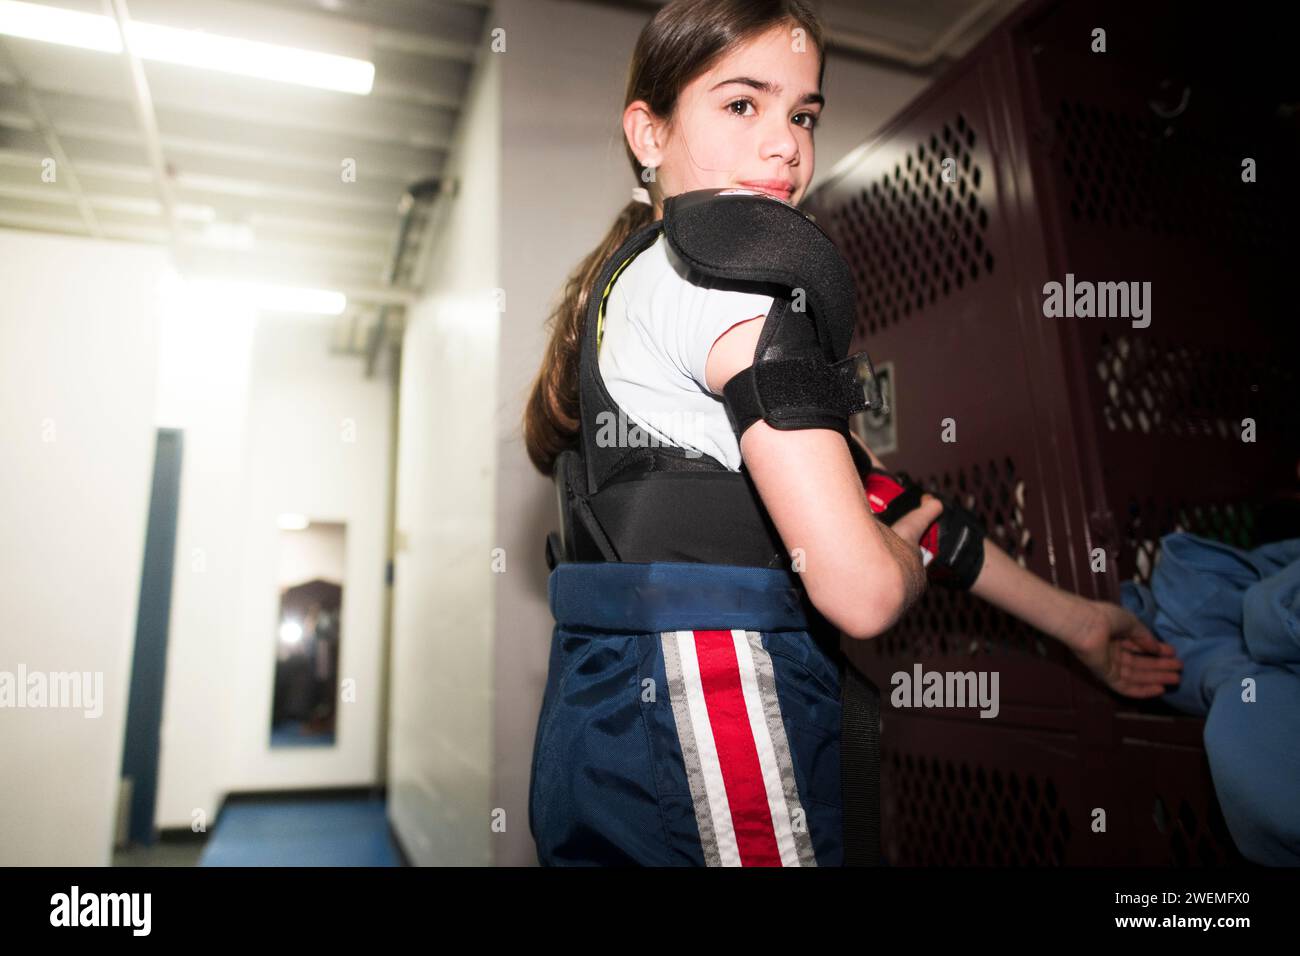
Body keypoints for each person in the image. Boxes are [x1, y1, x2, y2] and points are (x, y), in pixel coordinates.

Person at [522, 0, 1183, 867]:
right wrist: (896, 563)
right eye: (741, 104)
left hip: (612, 730)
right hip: (716, 716)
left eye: (802, 114)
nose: (785, 143)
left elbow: (879, 492)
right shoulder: (733, 286)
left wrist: (1075, 622)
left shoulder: (630, 288)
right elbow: (864, 590)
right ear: (648, 132)